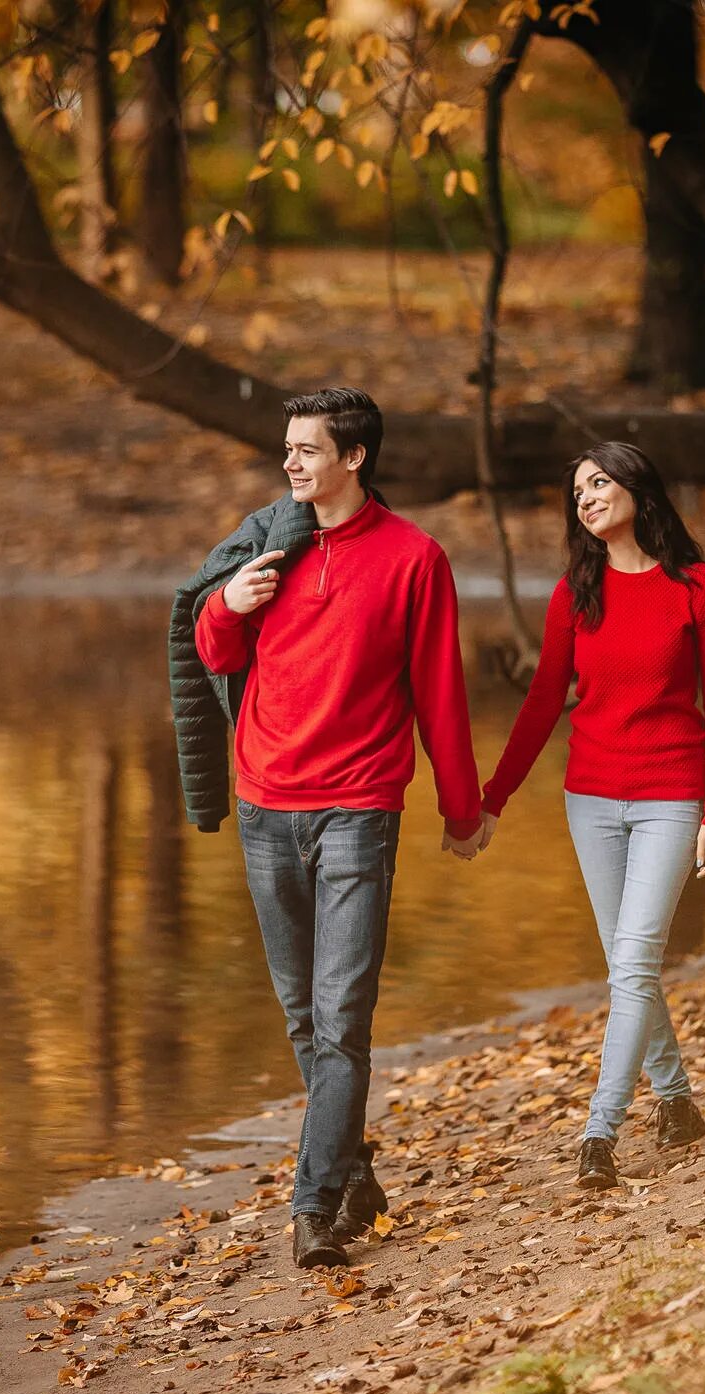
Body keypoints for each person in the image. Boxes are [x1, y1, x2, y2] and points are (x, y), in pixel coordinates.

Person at [193, 386, 491, 1268]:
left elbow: (440, 691)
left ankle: (313, 1208)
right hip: (264, 801)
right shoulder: (267, 543)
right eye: (287, 449)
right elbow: (213, 653)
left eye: (308, 450)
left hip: (359, 806)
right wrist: (228, 607)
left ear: (354, 458)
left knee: (342, 1016)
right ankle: (354, 1170)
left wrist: (461, 807)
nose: (291, 464)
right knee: (302, 1014)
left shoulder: (414, 558)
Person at [478, 441, 705, 1189]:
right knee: (632, 967)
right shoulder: (575, 595)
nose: (587, 498)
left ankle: (600, 1130)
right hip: (590, 799)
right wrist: (493, 797)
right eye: (578, 493)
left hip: (671, 796)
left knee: (632, 963)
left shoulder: (698, 587)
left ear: (636, 486)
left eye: (598, 483)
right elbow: (540, 706)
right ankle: (679, 1101)